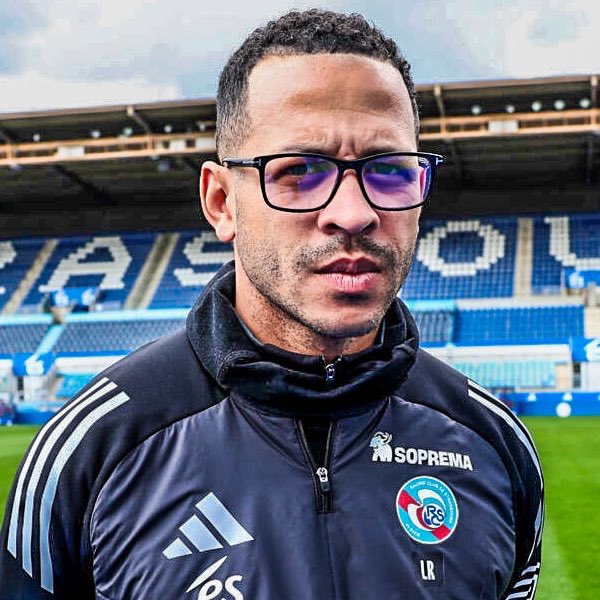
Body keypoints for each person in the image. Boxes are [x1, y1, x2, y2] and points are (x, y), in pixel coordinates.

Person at [1, 9, 543, 599]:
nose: (354, 214)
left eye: (389, 170)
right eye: (300, 171)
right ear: (221, 203)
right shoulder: (92, 453)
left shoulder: (494, 444)